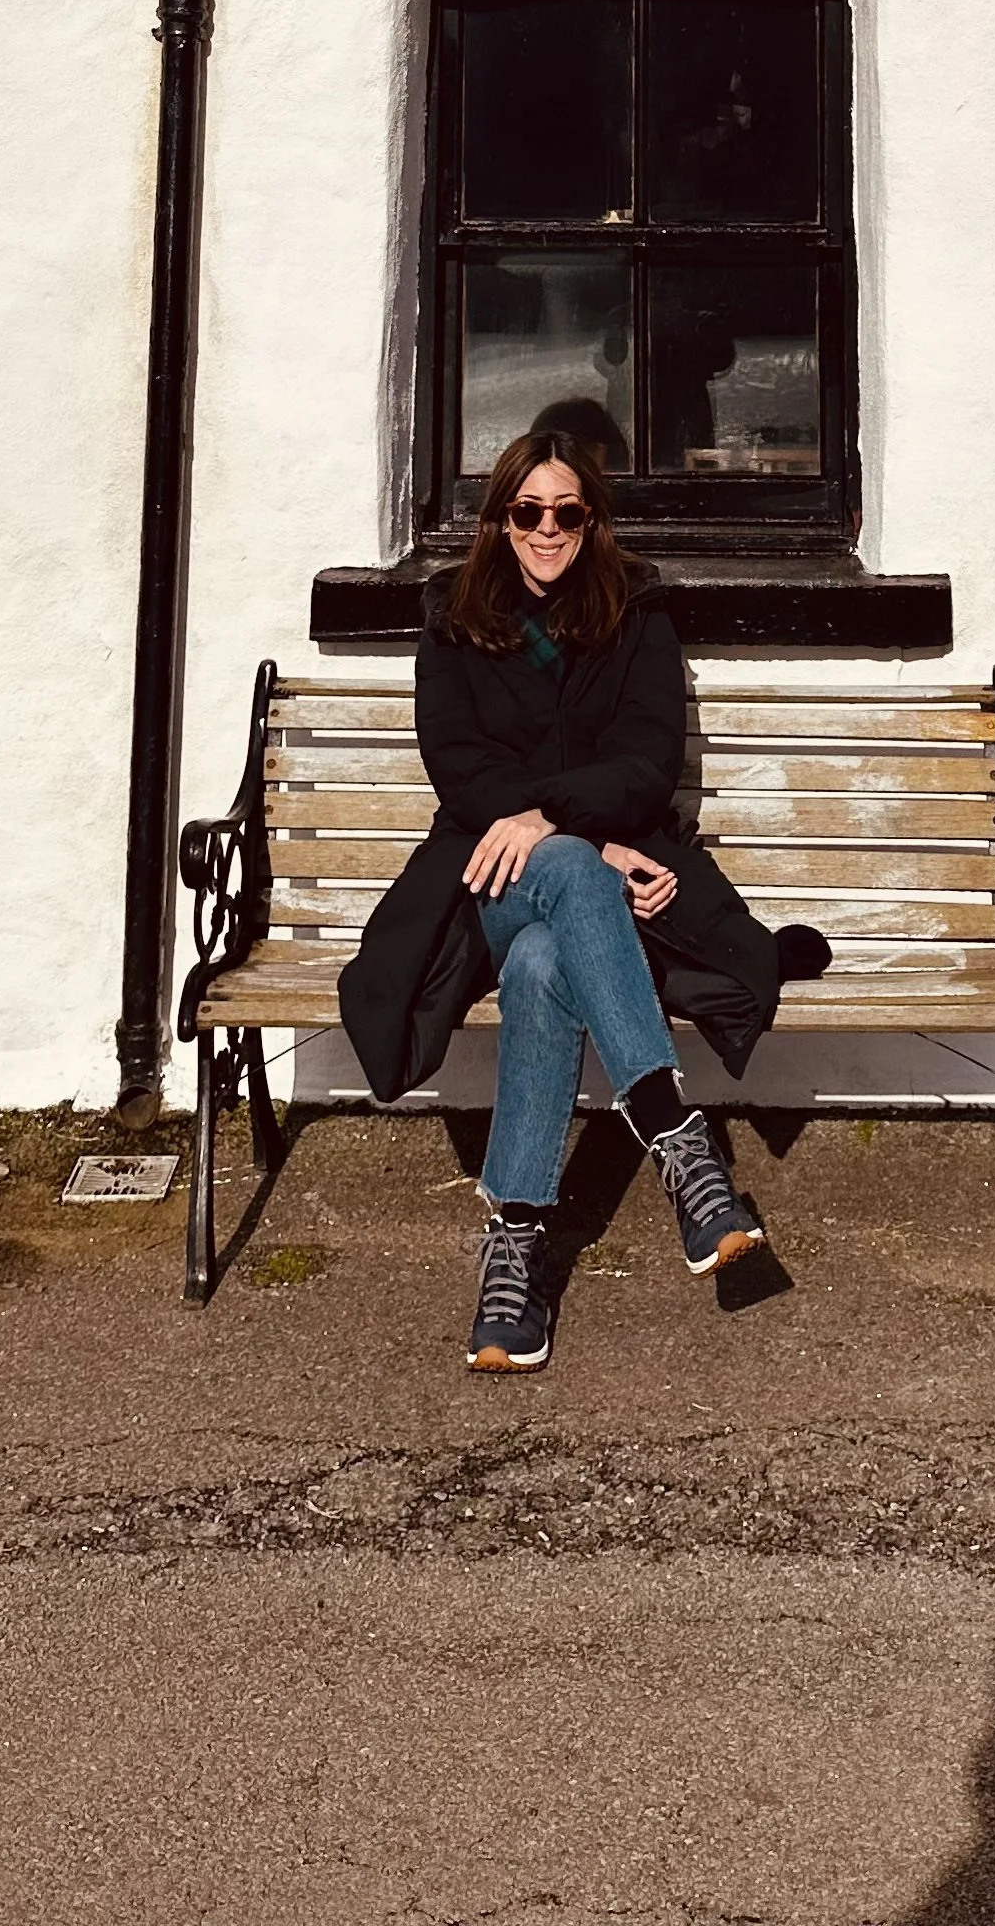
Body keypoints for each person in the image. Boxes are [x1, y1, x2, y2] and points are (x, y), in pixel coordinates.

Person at [339, 427, 823, 1373]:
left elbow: (644, 762)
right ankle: (681, 1145)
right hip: (483, 883)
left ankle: (514, 1250)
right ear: (500, 520)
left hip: (570, 885)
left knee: (546, 961)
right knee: (553, 884)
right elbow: (458, 764)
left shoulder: (634, 613)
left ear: (592, 519)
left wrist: (561, 826)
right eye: (527, 512)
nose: (547, 530)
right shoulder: (451, 617)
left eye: (566, 512)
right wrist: (567, 836)